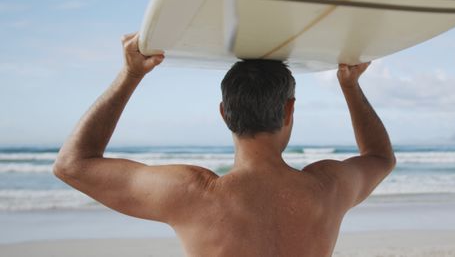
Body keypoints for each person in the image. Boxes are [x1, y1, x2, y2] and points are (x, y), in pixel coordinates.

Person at [54, 32, 396, 257]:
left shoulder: (190, 194)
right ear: (289, 110)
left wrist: (130, 74)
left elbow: (72, 164)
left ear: (224, 114)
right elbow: (380, 156)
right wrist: (350, 85)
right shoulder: (327, 188)